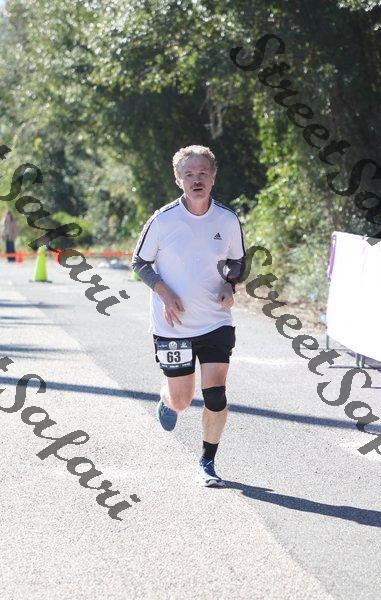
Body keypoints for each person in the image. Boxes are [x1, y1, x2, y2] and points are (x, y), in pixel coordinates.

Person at [132, 145, 246, 487]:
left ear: (213, 177)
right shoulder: (163, 220)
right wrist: (164, 293)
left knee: (215, 393)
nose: (197, 180)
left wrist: (229, 284)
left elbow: (237, 261)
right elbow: (140, 262)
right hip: (173, 325)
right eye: (189, 174)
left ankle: (207, 462)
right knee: (182, 400)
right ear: (178, 179)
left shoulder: (227, 219)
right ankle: (168, 399)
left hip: (215, 320)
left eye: (203, 173)